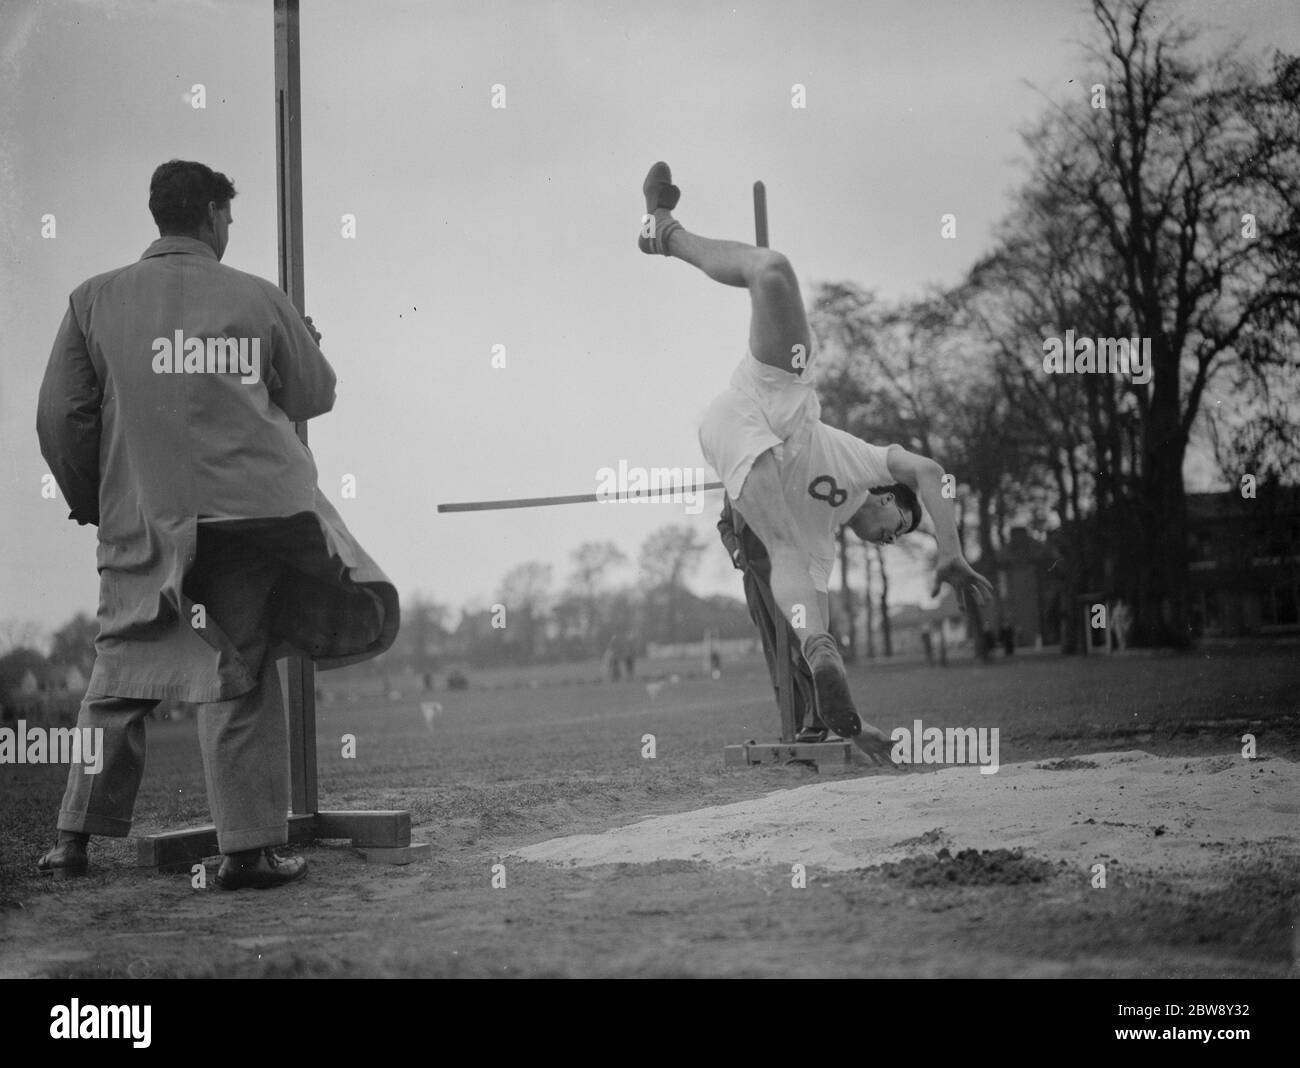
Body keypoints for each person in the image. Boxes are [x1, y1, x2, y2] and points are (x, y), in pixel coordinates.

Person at [35, 160, 399, 890]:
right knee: (239, 668)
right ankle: (247, 849)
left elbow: (60, 419)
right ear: (208, 214)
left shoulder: (92, 301)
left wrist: (100, 502)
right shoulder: (256, 297)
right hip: (247, 518)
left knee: (118, 673)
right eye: (228, 218)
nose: (229, 230)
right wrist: (295, 340)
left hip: (143, 519)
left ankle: (72, 842)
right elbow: (315, 392)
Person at [638, 162, 993, 764]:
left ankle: (663, 227)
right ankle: (663, 230)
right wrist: (949, 548)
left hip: (735, 423)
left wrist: (851, 727)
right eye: (895, 530)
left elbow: (807, 591)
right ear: (884, 498)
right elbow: (928, 473)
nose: (884, 539)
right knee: (772, 270)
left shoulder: (822, 549)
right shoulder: (863, 464)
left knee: (791, 566)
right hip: (775, 395)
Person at [717, 497, 827, 741]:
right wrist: (735, 549)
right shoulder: (731, 481)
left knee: (799, 646)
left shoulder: (775, 466)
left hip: (787, 571)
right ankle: (794, 724)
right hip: (754, 577)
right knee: (776, 655)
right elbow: (725, 523)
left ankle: (816, 721)